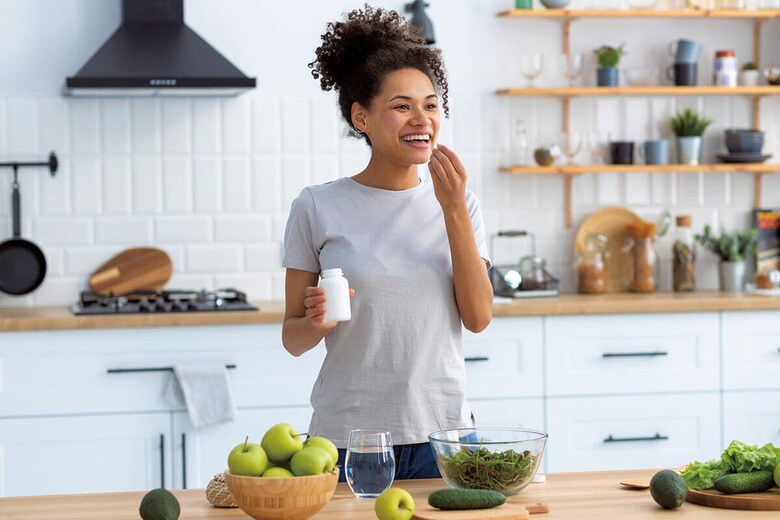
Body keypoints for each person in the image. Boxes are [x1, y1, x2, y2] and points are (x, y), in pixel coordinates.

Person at [281, 5, 493, 482]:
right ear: (362, 117)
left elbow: (478, 318)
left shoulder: (462, 203)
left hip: (446, 436)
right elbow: (292, 339)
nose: (422, 118)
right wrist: (316, 321)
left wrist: (453, 208)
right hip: (349, 440)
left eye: (431, 104)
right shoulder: (316, 207)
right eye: (401, 105)